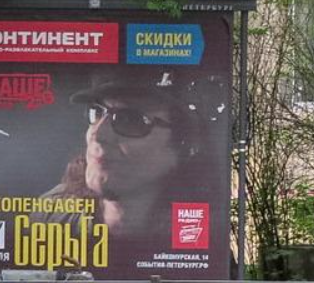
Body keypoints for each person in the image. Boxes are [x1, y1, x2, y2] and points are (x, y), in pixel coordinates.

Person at [37, 70, 210, 250]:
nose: (98, 134)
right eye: (96, 112)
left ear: (182, 144)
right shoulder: (50, 213)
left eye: (131, 119)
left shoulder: (204, 231)